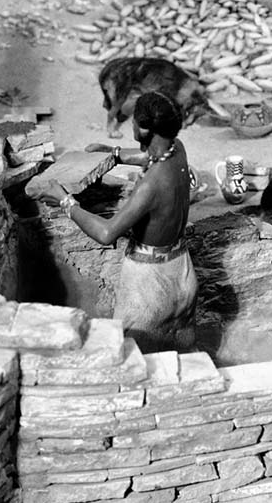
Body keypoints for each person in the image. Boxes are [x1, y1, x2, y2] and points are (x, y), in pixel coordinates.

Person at [36, 92, 197, 350]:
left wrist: (65, 201)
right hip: (183, 273)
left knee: (130, 358)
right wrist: (113, 153)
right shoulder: (177, 149)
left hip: (150, 285)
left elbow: (107, 233)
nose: (129, 124)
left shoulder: (151, 185)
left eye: (132, 120)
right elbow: (151, 156)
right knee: (183, 354)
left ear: (143, 129)